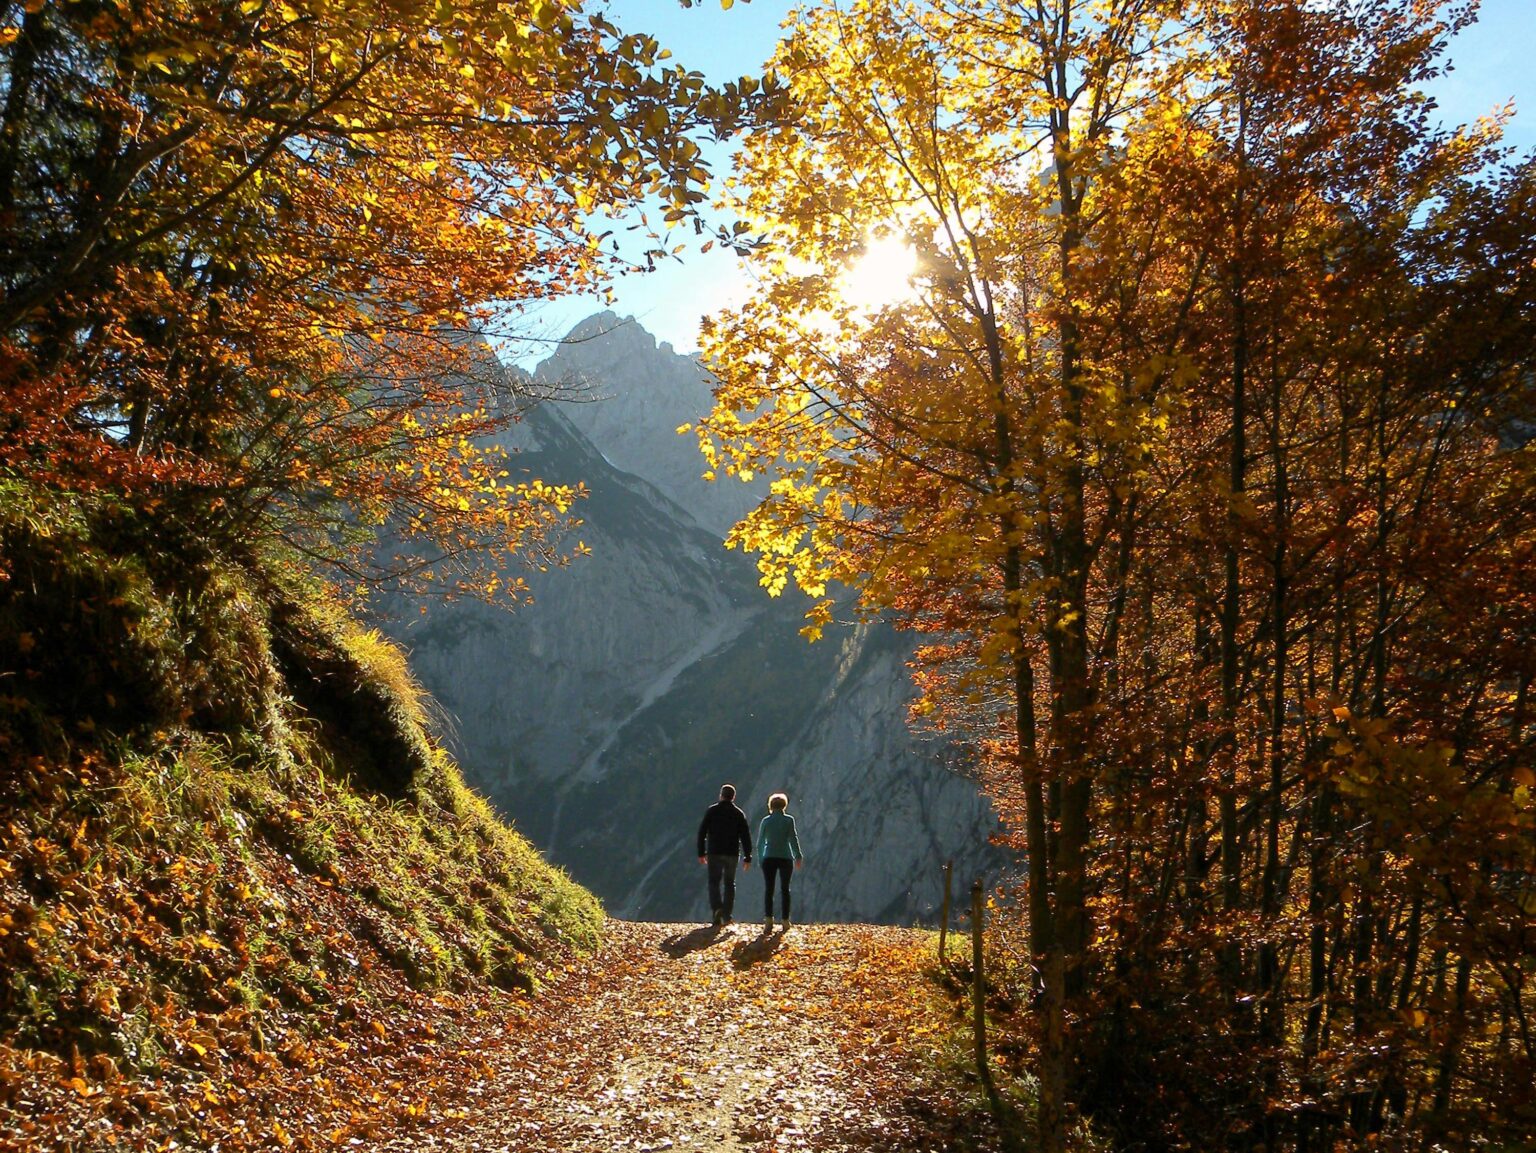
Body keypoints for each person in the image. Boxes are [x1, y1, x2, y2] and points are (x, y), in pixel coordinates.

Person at [697, 783, 752, 927]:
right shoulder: (739, 814)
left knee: (713, 882)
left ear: (721, 795)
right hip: (732, 854)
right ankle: (727, 916)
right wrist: (748, 857)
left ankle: (717, 909)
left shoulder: (712, 811)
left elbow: (702, 832)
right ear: (733, 797)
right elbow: (745, 837)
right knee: (729, 884)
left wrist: (701, 852)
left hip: (714, 852)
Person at [756, 792, 803, 930]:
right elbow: (793, 838)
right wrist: (798, 856)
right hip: (785, 857)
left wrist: (761, 858)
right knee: (785, 889)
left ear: (770, 805)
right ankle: (785, 920)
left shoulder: (766, 821)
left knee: (769, 889)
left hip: (769, 857)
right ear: (784, 805)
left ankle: (769, 920)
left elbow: (760, 842)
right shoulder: (789, 820)